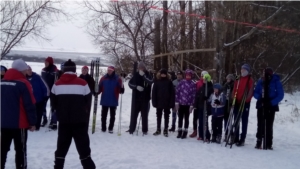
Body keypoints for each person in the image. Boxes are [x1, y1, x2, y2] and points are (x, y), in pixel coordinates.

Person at [50, 59, 96, 169]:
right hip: (80, 121)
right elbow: (88, 101)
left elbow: (53, 103)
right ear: (75, 70)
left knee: (61, 147)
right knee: (83, 148)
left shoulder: (57, 84)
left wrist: (61, 111)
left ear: (64, 70)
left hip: (64, 121)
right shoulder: (83, 83)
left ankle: (58, 166)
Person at [1, 59, 36, 169]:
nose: (26, 72)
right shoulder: (24, 83)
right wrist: (33, 122)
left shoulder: (1, 82)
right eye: (25, 70)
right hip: (19, 123)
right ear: (21, 70)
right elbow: (29, 104)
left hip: (4, 122)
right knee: (21, 150)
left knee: (2, 149)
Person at [253, 67, 284, 150]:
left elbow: (280, 95)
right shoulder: (261, 81)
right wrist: (260, 98)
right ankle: (259, 141)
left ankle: (268, 143)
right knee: (260, 124)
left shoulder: (276, 82)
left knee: (269, 125)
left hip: (271, 106)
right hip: (261, 104)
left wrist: (271, 102)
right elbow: (255, 92)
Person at [231, 64, 254, 146]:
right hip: (237, 102)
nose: (242, 71)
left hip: (245, 103)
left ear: (247, 71)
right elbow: (234, 88)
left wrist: (246, 100)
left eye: (244, 70)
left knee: (244, 121)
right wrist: (234, 97)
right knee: (236, 120)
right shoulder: (238, 78)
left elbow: (251, 92)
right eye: (241, 69)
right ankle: (235, 137)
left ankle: (242, 138)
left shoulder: (250, 79)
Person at [97, 66, 124, 133]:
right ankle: (103, 128)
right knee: (103, 115)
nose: (109, 71)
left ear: (113, 71)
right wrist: (96, 92)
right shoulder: (103, 78)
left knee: (112, 115)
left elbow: (121, 88)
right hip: (105, 99)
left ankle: (110, 128)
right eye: (108, 70)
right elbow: (100, 87)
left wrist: (122, 89)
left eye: (110, 70)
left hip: (113, 99)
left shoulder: (118, 79)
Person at [128, 62, 153, 135]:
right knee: (134, 114)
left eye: (142, 68)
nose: (140, 69)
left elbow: (151, 82)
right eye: (139, 68)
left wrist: (144, 76)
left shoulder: (148, 74)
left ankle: (144, 130)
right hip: (136, 98)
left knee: (144, 115)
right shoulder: (136, 75)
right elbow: (130, 84)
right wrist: (136, 87)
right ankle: (132, 128)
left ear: (144, 68)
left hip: (145, 98)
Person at [152, 69, 175, 137]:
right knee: (158, 116)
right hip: (159, 102)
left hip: (167, 102)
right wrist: (154, 101)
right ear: (160, 74)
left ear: (166, 74)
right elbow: (154, 93)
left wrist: (171, 102)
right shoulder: (157, 82)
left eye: (164, 74)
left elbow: (172, 93)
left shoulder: (169, 82)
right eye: (162, 74)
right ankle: (158, 128)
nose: (163, 75)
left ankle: (166, 129)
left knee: (166, 116)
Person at [175, 69, 196, 139]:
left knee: (186, 119)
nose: (188, 76)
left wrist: (192, 105)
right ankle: (179, 131)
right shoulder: (181, 82)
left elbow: (194, 94)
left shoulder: (193, 84)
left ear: (191, 76)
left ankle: (185, 132)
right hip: (181, 103)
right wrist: (177, 102)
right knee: (180, 118)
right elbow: (177, 92)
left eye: (189, 75)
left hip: (188, 104)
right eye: (187, 75)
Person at [26, 65, 49, 131]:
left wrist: (46, 96)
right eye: (27, 70)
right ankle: (29, 125)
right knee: (29, 113)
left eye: (30, 69)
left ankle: (37, 126)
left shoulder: (37, 77)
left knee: (38, 113)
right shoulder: (24, 79)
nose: (29, 71)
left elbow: (45, 87)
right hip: (28, 100)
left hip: (39, 99)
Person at [194, 73, 213, 142]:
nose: (203, 80)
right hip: (200, 106)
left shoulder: (210, 87)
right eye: (203, 79)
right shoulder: (202, 87)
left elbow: (211, 97)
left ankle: (207, 135)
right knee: (200, 121)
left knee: (205, 121)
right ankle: (201, 135)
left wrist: (207, 98)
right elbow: (198, 96)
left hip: (206, 107)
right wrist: (196, 104)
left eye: (205, 79)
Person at [189, 70, 208, 138]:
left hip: (203, 104)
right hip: (197, 103)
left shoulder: (207, 83)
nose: (203, 77)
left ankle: (202, 132)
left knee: (202, 119)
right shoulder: (198, 83)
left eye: (204, 76)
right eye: (202, 76)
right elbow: (195, 92)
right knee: (195, 118)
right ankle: (195, 130)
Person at [41, 56, 58, 128]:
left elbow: (57, 81)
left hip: (53, 91)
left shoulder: (55, 70)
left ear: (50, 63)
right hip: (45, 91)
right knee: (42, 105)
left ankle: (53, 121)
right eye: (45, 62)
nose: (45, 63)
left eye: (47, 62)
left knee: (53, 106)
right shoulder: (43, 70)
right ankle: (44, 119)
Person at [223, 74, 235, 139]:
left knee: (230, 119)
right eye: (227, 79)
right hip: (226, 103)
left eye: (229, 79)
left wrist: (232, 101)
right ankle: (226, 131)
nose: (228, 80)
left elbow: (233, 94)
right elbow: (223, 92)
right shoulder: (225, 85)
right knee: (225, 118)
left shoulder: (233, 85)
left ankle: (231, 132)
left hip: (230, 103)